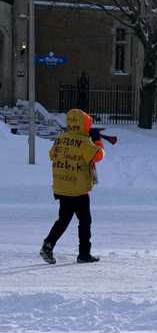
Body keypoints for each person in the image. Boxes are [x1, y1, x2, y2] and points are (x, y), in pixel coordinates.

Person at [40, 108, 105, 265]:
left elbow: (51, 155)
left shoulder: (61, 138)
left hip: (62, 186)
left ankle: (48, 245)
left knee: (63, 219)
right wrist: (96, 140)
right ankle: (84, 254)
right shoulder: (84, 142)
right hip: (79, 190)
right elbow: (99, 155)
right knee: (85, 221)